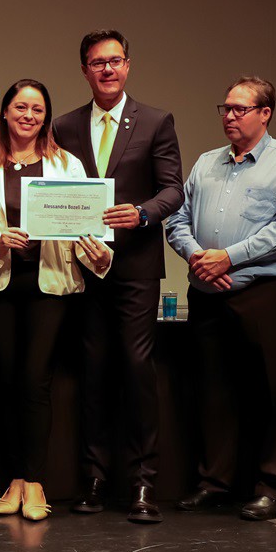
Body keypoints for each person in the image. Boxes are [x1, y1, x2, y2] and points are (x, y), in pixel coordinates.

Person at [166, 76, 276, 521]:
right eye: (225, 109)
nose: (229, 116)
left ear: (265, 113)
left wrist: (228, 259)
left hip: (270, 293)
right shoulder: (206, 163)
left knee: (275, 393)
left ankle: (273, 485)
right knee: (214, 392)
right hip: (209, 291)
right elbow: (178, 219)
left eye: (240, 109)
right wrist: (198, 259)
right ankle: (216, 482)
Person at [0, 80, 112, 522]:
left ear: (46, 118)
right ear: (5, 112)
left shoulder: (68, 166)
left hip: (51, 286)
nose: (29, 115)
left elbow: (90, 225)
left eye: (38, 110)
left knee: (35, 380)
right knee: (6, 381)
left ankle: (34, 479)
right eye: (21, 107)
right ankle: (13, 480)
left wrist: (101, 250)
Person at [52, 29, 182, 524]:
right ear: (84, 70)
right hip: (83, 266)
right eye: (96, 62)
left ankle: (143, 481)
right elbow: (51, 189)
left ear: (128, 66)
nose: (107, 69)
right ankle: (94, 479)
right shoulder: (63, 126)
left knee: (136, 370)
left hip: (134, 268)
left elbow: (173, 190)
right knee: (93, 372)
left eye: (115, 61)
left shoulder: (154, 121)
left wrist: (144, 214)